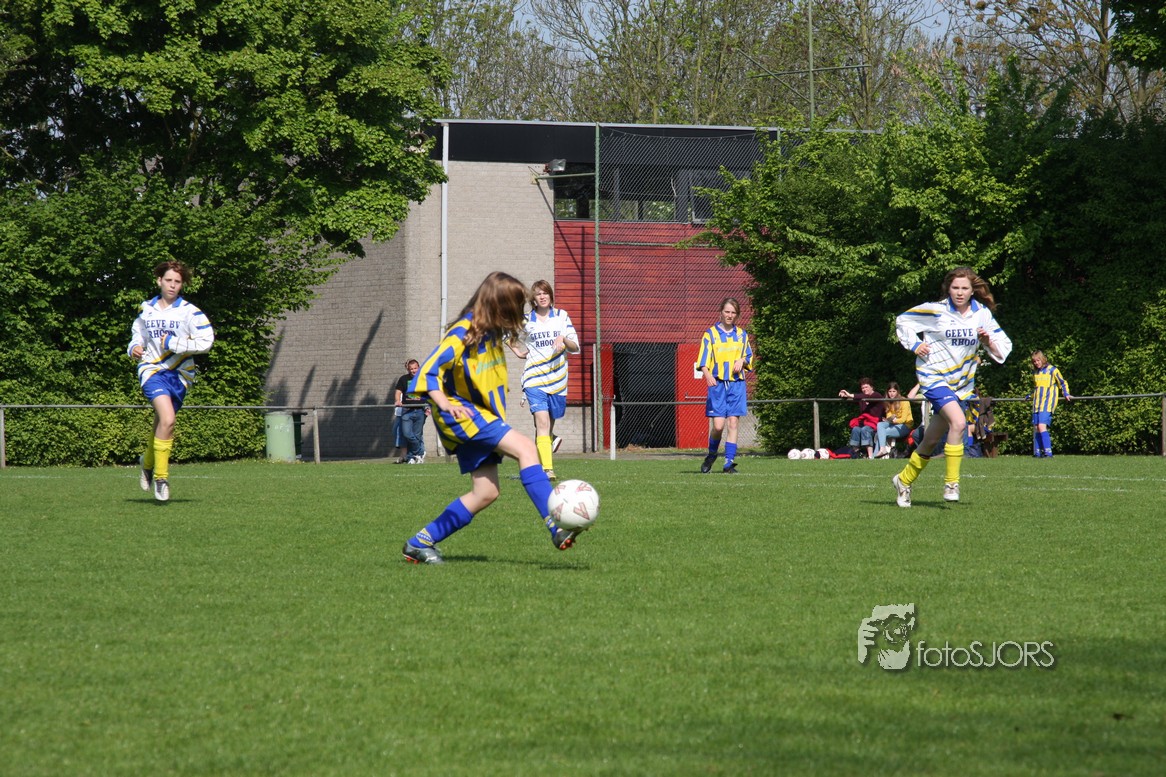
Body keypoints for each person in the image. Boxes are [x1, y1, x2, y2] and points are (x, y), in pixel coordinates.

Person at [401, 272, 580, 564]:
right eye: (515, 305)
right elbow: (429, 369)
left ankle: (420, 542)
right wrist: (444, 403)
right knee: (527, 448)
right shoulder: (464, 330)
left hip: (478, 416)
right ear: (498, 303)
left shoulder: (492, 333)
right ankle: (556, 525)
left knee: (486, 492)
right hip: (464, 415)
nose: (518, 311)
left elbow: (519, 345)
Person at [891, 266, 1012, 507]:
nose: (959, 292)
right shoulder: (936, 310)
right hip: (933, 377)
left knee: (930, 440)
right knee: (958, 423)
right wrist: (915, 344)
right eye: (955, 287)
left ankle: (903, 480)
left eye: (964, 288)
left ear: (972, 290)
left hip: (961, 385)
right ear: (949, 288)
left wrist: (987, 342)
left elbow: (1003, 346)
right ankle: (951, 484)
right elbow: (903, 321)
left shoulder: (981, 314)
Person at [128, 260, 215, 502]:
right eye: (168, 280)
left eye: (177, 281)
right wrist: (134, 347)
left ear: (182, 285)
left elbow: (206, 342)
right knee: (168, 419)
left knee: (162, 424)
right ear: (159, 281)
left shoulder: (190, 312)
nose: (172, 285)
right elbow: (138, 334)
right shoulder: (147, 309)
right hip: (152, 370)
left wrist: (172, 343)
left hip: (180, 375)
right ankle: (161, 478)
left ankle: (146, 463)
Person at [506, 280, 578, 481]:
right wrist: (517, 351)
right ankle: (547, 469)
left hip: (557, 380)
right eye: (538, 294)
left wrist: (563, 339)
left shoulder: (561, 316)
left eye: (545, 293)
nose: (542, 296)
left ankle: (548, 440)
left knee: (546, 425)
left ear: (550, 296)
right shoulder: (526, 320)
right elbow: (507, 334)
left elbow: (574, 346)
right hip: (534, 378)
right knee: (542, 421)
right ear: (534, 299)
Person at [698, 297, 754, 474]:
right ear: (721, 312)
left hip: (736, 384)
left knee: (733, 423)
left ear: (737, 315)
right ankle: (711, 455)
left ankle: (728, 463)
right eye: (727, 312)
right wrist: (708, 375)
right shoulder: (710, 334)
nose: (730, 315)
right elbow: (703, 361)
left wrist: (742, 360)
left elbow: (749, 356)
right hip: (718, 385)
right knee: (718, 426)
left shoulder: (741, 335)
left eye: (733, 313)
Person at [1027, 350, 1072, 458]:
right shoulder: (1035, 373)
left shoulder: (1052, 370)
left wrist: (1066, 393)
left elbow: (1062, 382)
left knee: (1042, 426)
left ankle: (1048, 452)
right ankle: (1038, 452)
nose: (1036, 363)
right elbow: (1037, 388)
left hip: (1047, 403)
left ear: (1042, 359)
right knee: (1036, 427)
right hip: (1037, 403)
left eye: (1038, 360)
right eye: (1034, 361)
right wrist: (1030, 395)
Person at [838, 379, 885, 459]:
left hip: (875, 424)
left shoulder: (876, 395)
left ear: (872, 387)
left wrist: (849, 395)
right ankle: (856, 453)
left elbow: (865, 397)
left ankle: (870, 456)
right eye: (863, 388)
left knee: (865, 429)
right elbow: (856, 397)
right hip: (865, 423)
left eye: (866, 387)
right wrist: (844, 395)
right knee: (855, 429)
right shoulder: (861, 398)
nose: (864, 389)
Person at [394, 359, 429, 464]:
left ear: (419, 368)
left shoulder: (424, 378)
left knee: (417, 435)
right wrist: (398, 400)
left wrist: (428, 407)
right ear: (408, 369)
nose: (413, 370)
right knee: (407, 434)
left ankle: (412, 457)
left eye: (415, 368)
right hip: (407, 410)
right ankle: (420, 452)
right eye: (411, 369)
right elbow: (398, 392)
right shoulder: (403, 379)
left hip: (420, 410)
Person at [875, 382, 914, 458]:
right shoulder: (888, 401)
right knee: (880, 424)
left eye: (894, 391)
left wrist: (894, 420)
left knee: (882, 433)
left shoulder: (904, 401)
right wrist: (890, 419)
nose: (891, 394)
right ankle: (882, 449)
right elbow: (889, 416)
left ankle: (875, 456)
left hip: (905, 426)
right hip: (893, 423)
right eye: (890, 391)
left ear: (897, 392)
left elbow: (903, 419)